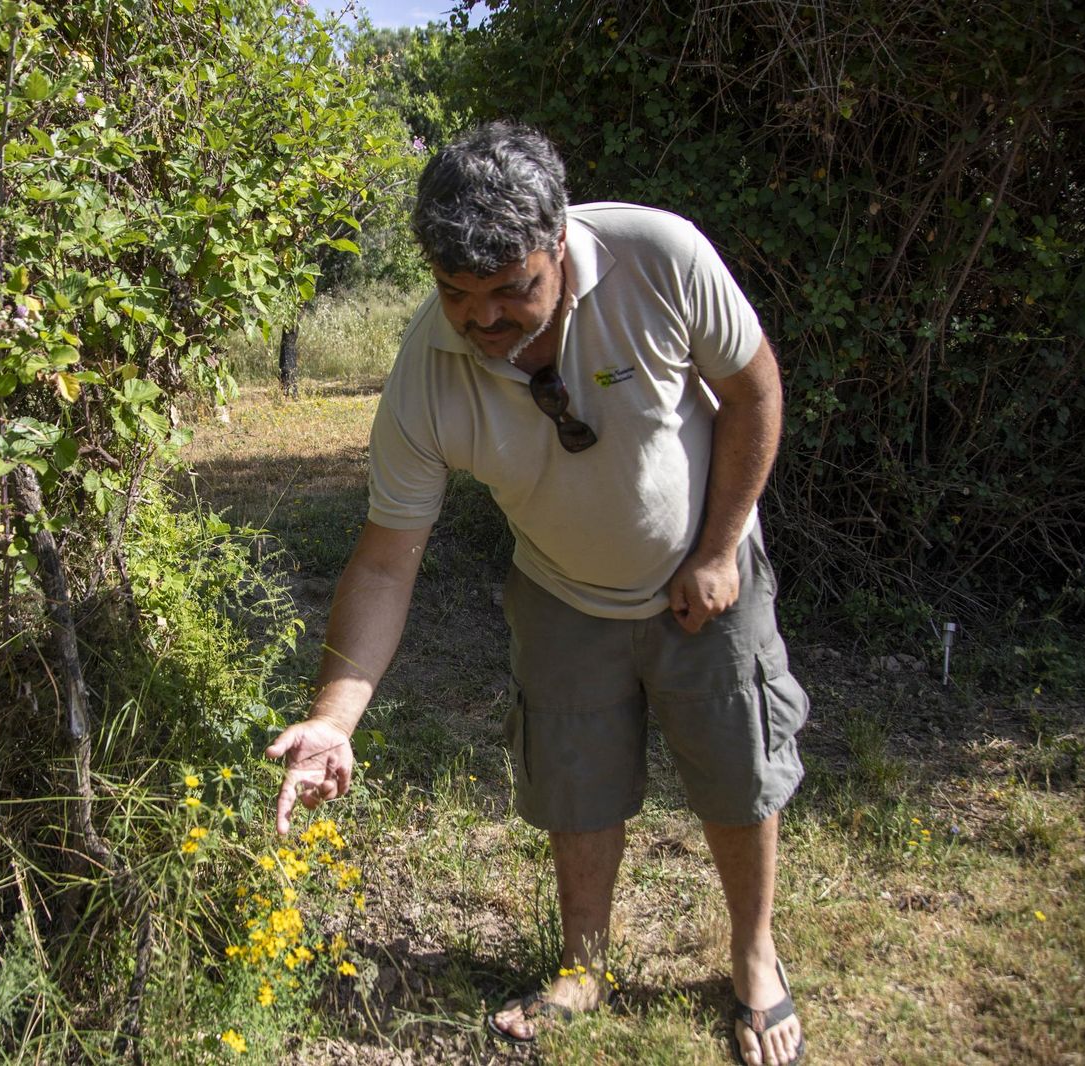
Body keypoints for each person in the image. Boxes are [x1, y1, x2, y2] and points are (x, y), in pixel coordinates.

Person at [264, 121, 809, 1065]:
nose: (481, 321)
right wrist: (335, 719)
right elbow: (388, 560)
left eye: (511, 289)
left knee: (735, 767)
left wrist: (719, 548)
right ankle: (582, 966)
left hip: (707, 571)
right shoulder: (424, 374)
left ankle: (754, 956)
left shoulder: (659, 258)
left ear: (558, 242)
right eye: (456, 295)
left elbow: (753, 388)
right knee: (573, 778)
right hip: (559, 589)